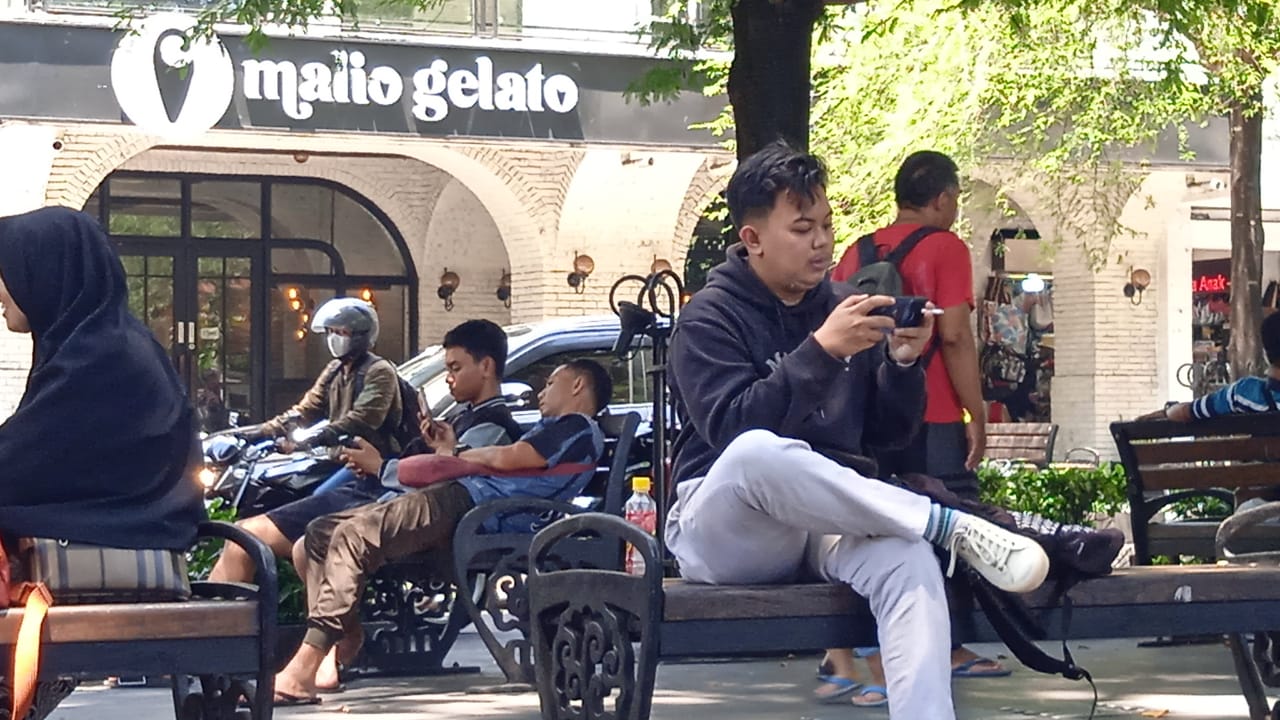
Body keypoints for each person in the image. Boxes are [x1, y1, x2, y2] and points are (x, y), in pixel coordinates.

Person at [664, 141, 1049, 719]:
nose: (821, 242)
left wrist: (901, 364)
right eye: (801, 228)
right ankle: (946, 524)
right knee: (756, 452)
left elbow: (889, 438)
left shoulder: (850, 304)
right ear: (753, 239)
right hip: (728, 527)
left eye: (826, 224)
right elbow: (730, 429)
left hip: (827, 522)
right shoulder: (709, 317)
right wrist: (821, 351)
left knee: (909, 559)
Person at [270, 359, 610, 705]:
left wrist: (457, 454)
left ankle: (304, 667)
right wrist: (450, 452)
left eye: (551, 383)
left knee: (352, 536)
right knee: (319, 534)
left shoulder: (575, 426)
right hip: (467, 501)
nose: (541, 391)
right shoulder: (558, 428)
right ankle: (343, 639)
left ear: (578, 386)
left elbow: (514, 457)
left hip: (473, 506)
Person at [827, 150, 1005, 690]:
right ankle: (940, 648)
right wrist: (975, 411)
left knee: (868, 525)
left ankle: (844, 655)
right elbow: (953, 335)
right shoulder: (946, 247)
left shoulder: (853, 253)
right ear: (944, 198)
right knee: (947, 521)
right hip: (930, 411)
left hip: (863, 417)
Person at [209, 319, 521, 587]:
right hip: (377, 492)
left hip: (388, 503)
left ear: (486, 366)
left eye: (455, 368)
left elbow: (453, 484)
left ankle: (231, 640)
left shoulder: (492, 425)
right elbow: (308, 408)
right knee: (246, 538)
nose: (449, 377)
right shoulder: (336, 371)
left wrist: (382, 465)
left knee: (252, 540)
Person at [0, 206, 204, 550]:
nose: (0, 291)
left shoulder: (100, 358)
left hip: (119, 531)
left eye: (6, 273)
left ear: (45, 271)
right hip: (120, 527)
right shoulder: (101, 344)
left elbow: (23, 463)